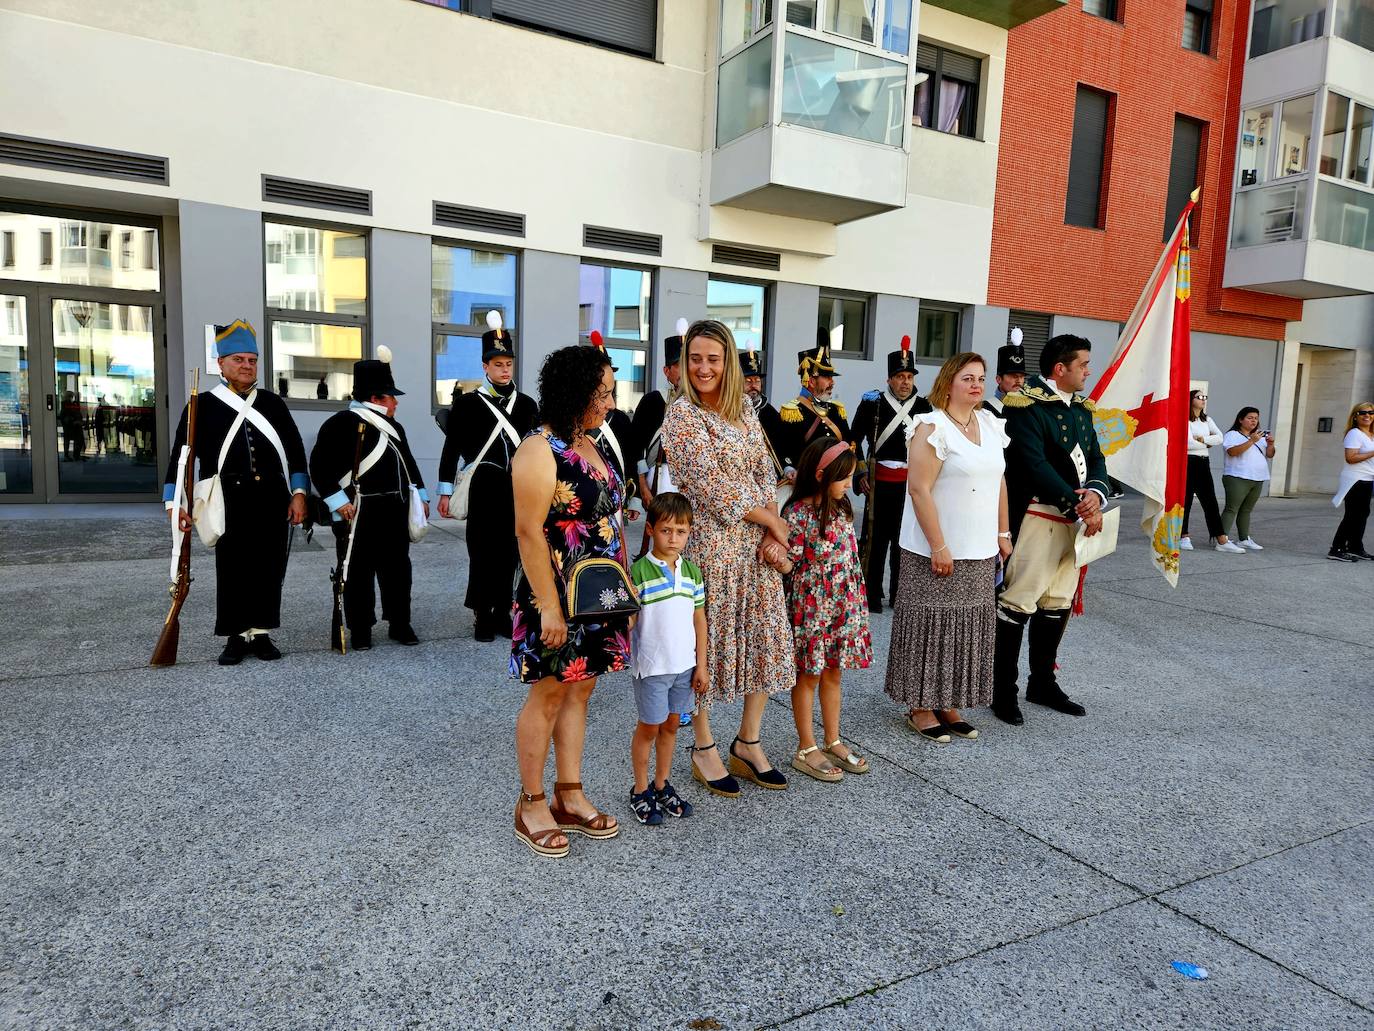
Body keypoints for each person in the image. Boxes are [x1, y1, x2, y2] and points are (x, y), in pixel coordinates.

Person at [663, 319, 796, 796]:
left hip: (756, 547)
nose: (703, 368)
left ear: (728, 362)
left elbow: (768, 470)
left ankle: (749, 740)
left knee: (764, 638)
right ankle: (702, 746)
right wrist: (770, 520)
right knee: (709, 645)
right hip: (712, 547)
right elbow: (712, 486)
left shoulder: (745, 409)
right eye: (695, 358)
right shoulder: (682, 416)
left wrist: (770, 527)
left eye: (713, 359)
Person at [510, 344, 628, 857]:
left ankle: (569, 794)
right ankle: (531, 801)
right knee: (549, 694)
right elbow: (528, 533)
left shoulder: (592, 442)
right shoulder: (539, 450)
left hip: (598, 595)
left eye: (610, 391)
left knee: (581, 692)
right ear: (574, 392)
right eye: (601, 392)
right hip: (553, 595)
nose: (609, 401)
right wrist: (550, 608)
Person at [163, 320, 309, 665]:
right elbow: (180, 456)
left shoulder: (272, 403)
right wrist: (174, 502)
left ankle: (260, 633)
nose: (247, 366)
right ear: (222, 364)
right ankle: (234, 635)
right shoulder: (203, 405)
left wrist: (299, 492)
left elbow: (294, 449)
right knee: (232, 568)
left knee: (269, 566)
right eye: (239, 360)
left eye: (252, 360)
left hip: (272, 497)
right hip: (228, 500)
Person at [888, 353, 1011, 742]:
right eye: (967, 378)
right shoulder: (931, 426)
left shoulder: (991, 424)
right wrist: (939, 545)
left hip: (979, 548)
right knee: (930, 626)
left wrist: (1003, 534)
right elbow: (919, 489)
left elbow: (1000, 482)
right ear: (949, 382)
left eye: (980, 378)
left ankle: (950, 701)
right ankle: (920, 705)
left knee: (965, 628)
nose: (976, 385)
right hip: (933, 549)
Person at [993, 334, 1110, 725]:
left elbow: (1096, 456)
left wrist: (1095, 493)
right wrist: (1076, 502)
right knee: (1018, 601)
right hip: (1040, 515)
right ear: (1060, 369)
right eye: (1084, 365)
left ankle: (1042, 683)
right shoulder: (1025, 405)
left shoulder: (1081, 408)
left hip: (1076, 521)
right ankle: (1001, 691)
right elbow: (1031, 464)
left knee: (1058, 600)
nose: (1088, 371)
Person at [311, 350, 427, 651]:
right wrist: (339, 502)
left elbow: (409, 464)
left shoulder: (395, 428)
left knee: (398, 571)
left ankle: (400, 622)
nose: (396, 403)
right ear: (375, 398)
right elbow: (320, 468)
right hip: (357, 510)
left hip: (394, 509)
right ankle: (361, 628)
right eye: (391, 397)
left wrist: (420, 494)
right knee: (357, 572)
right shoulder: (340, 424)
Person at [436, 311, 539, 641]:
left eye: (508, 362)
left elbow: (537, 447)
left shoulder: (526, 405)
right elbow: (451, 448)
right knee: (481, 552)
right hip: (483, 487)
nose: (504, 368)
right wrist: (443, 490)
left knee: (511, 551)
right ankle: (482, 613)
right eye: (497, 363)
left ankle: (501, 611)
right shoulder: (467, 404)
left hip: (517, 488)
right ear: (485, 366)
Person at [784, 437, 872, 781]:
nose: (849, 484)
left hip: (842, 605)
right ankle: (806, 746)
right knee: (809, 675)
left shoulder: (841, 505)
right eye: (844, 477)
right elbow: (790, 563)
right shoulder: (798, 512)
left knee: (835, 672)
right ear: (821, 474)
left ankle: (832, 738)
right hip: (812, 608)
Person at [627, 492, 707, 825]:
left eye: (681, 531)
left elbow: (699, 618)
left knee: (672, 725)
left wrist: (701, 664)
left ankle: (662, 784)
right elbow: (630, 617)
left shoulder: (691, 572)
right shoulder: (639, 571)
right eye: (666, 530)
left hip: (684, 666)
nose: (673, 538)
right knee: (650, 727)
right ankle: (640, 789)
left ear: (689, 532)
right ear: (650, 530)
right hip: (653, 666)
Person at [850, 334, 931, 613]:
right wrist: (860, 472)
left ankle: (899, 594)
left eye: (909, 376)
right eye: (900, 376)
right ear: (889, 379)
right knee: (875, 539)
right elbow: (853, 440)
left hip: (910, 486)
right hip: (878, 482)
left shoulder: (924, 407)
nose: (905, 381)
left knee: (903, 541)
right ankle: (871, 595)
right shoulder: (872, 403)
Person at [778, 330, 851, 474]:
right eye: (827, 378)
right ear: (811, 381)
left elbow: (849, 442)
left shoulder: (836, 410)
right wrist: (789, 468)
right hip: (807, 481)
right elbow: (784, 450)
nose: (832, 382)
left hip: (833, 481)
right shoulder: (793, 412)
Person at [632, 318, 686, 505]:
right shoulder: (653, 401)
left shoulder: (705, 404)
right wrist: (643, 487)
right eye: (680, 365)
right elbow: (636, 447)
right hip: (662, 477)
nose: (686, 371)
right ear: (667, 370)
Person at [1180, 389, 1241, 553]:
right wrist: (1207, 443)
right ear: (1191, 399)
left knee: (1210, 502)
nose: (1203, 399)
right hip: (1188, 462)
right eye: (1199, 397)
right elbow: (1186, 443)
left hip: (1203, 462)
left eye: (1205, 397)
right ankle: (1183, 535)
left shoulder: (1207, 420)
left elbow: (1220, 438)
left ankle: (1221, 539)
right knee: (1186, 501)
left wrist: (1204, 440)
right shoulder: (1184, 419)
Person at [1220, 407, 1275, 552]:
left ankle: (1244, 539)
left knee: (1246, 510)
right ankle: (1222, 540)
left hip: (1258, 477)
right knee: (1232, 508)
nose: (1254, 420)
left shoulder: (1259, 436)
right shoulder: (1232, 435)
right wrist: (1251, 441)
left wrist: (1270, 444)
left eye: (1256, 418)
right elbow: (1232, 452)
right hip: (1237, 477)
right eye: (1250, 417)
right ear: (1240, 420)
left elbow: (1270, 455)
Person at [1329, 401, 1374, 561]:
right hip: (1356, 480)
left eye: (1370, 412)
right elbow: (1351, 458)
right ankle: (1336, 549)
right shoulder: (1354, 433)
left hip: (1368, 479)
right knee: (1352, 516)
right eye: (1362, 413)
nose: (1367, 415)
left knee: (1362, 515)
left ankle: (1355, 546)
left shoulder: (1371, 435)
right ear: (1355, 416)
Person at [982, 328, 1027, 417]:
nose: (1019, 381)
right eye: (1013, 376)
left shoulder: (1029, 408)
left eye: (1021, 376)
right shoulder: (985, 409)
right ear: (999, 379)